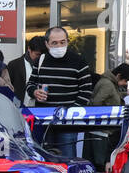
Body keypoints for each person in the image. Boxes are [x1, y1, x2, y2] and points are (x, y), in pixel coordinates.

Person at [29, 27, 92, 158]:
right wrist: (35, 92)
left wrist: (72, 112)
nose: (59, 46)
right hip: (44, 121)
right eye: (54, 43)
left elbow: (86, 90)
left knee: (67, 159)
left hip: (68, 123)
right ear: (47, 44)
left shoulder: (79, 61)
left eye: (62, 42)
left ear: (67, 42)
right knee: (45, 158)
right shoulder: (40, 60)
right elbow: (30, 84)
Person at [8, 35, 46, 106]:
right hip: (20, 108)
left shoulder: (48, 65)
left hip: (42, 108)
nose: (40, 58)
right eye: (37, 54)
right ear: (29, 49)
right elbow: (9, 88)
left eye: (43, 55)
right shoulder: (14, 65)